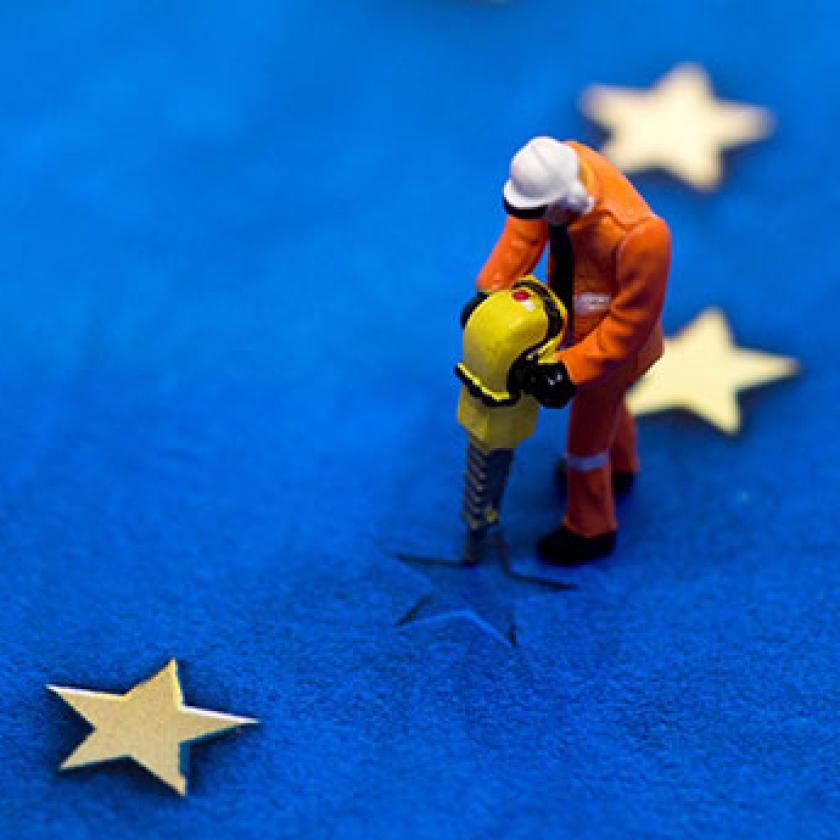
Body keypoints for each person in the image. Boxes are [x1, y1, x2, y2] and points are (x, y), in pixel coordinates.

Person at [467, 137, 671, 565]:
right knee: (612, 411)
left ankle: (590, 527)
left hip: (612, 356)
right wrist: (492, 291)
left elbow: (629, 324)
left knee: (584, 445)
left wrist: (569, 370)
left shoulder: (640, 236)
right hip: (576, 331)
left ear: (566, 200)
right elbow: (523, 234)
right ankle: (623, 465)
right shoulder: (561, 169)